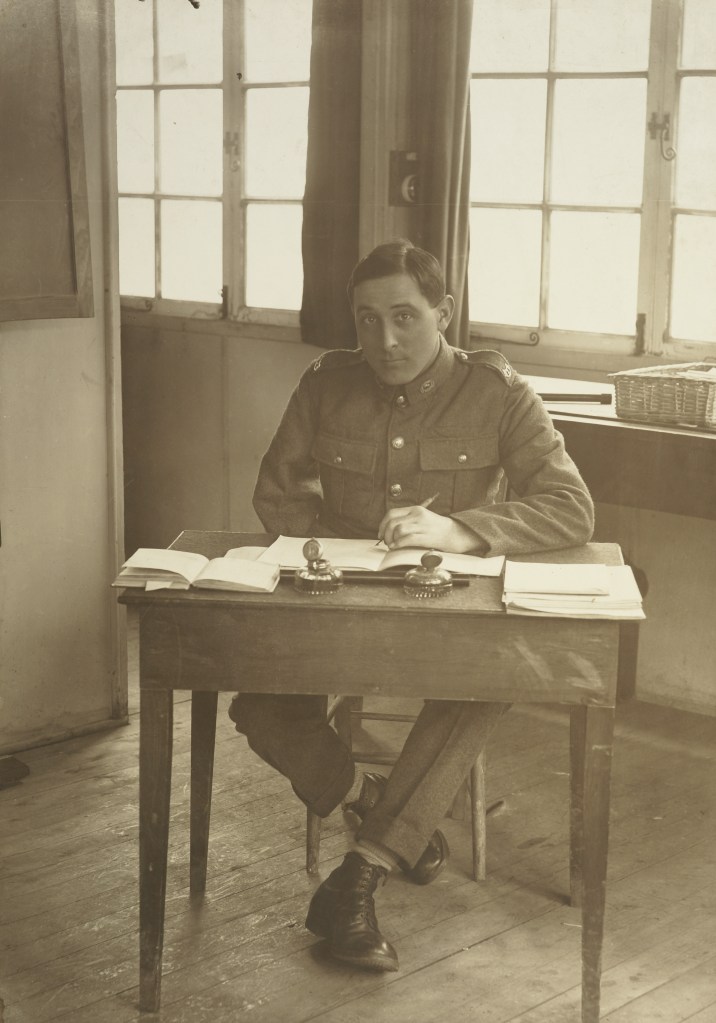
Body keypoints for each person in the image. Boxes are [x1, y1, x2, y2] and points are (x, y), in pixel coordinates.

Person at [229, 239, 594, 973]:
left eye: (404, 317)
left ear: (444, 313)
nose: (385, 341)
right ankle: (379, 800)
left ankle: (360, 876)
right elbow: (279, 490)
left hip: (444, 608)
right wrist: (324, 546)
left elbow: (570, 507)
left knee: (490, 684)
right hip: (338, 599)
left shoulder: (497, 390)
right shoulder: (327, 382)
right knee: (258, 703)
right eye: (367, 320)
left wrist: (463, 528)